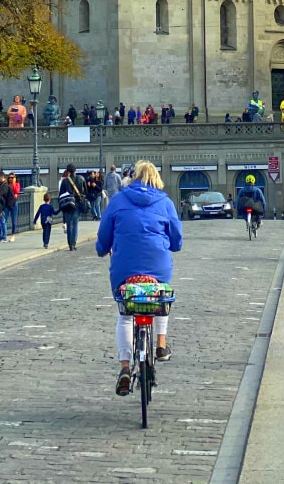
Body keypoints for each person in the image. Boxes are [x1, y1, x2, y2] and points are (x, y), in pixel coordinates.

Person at [95, 160, 183, 396]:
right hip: (157, 267)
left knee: (125, 316)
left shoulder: (118, 200)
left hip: (125, 270)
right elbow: (177, 240)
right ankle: (161, 346)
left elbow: (104, 236)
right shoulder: (165, 202)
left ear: (133, 177)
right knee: (160, 299)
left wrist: (102, 248)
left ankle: (125, 367)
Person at [58, 163, 86, 250]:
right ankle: (73, 243)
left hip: (68, 204)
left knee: (69, 224)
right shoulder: (81, 179)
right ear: (75, 170)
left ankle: (70, 244)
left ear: (68, 171)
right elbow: (85, 191)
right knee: (75, 223)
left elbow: (61, 194)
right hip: (77, 203)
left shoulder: (65, 181)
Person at [0, 171, 12, 241]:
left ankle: (3, 236)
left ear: (2, 177)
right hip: (1, 206)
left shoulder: (5, 186)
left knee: (2, 221)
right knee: (1, 221)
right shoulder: (1, 185)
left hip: (3, 206)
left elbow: (0, 193)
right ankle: (1, 235)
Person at [6, 173, 21, 240]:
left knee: (13, 220)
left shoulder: (17, 184)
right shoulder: (7, 185)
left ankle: (13, 235)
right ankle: (4, 234)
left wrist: (14, 183)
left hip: (14, 203)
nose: (10, 179)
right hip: (7, 203)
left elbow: (17, 191)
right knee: (4, 219)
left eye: (12, 177)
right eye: (9, 177)